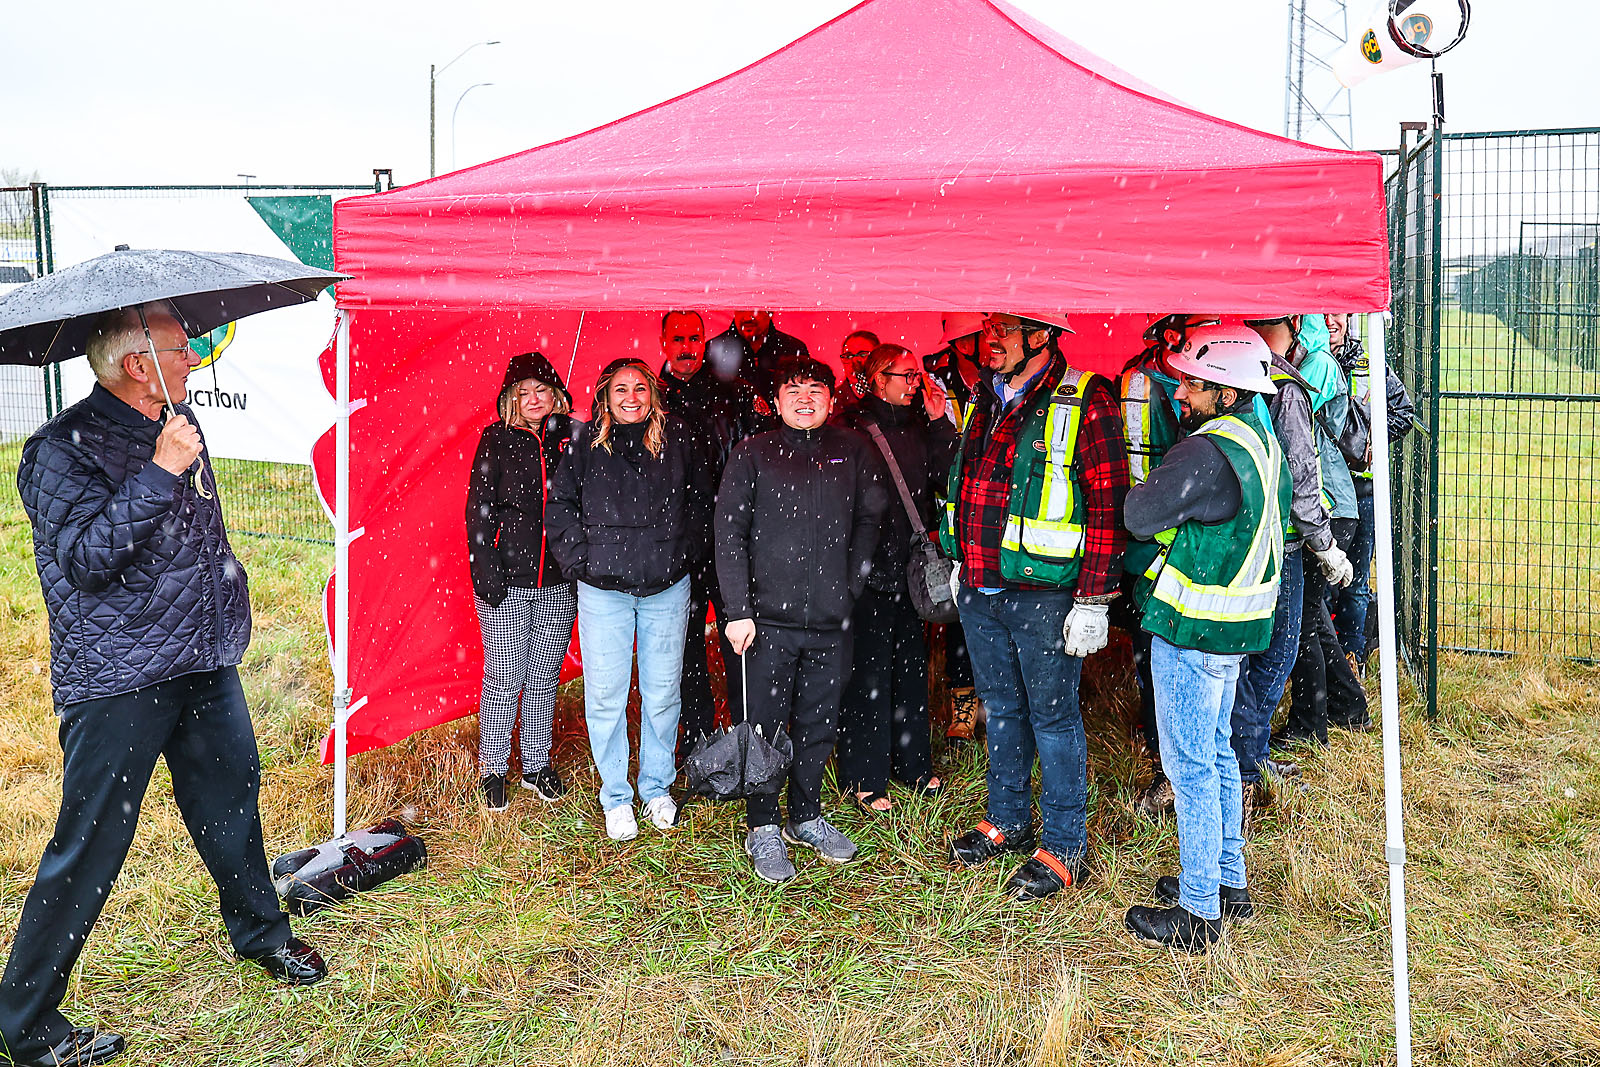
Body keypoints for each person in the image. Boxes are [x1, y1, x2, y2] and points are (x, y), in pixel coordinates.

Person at [3, 303, 326, 1067]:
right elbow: (85, 559)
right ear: (136, 363)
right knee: (90, 842)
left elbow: (199, 533)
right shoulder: (57, 452)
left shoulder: (179, 422)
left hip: (202, 661)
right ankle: (28, 1022)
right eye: (183, 348)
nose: (196, 358)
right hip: (119, 680)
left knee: (230, 801)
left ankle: (261, 934)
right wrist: (159, 471)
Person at [942, 311, 1129, 901]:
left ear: (1041, 336)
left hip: (1044, 595)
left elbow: (1108, 501)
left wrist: (1094, 597)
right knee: (1001, 708)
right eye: (987, 326)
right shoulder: (983, 396)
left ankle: (1065, 845)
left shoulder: (1087, 398)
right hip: (981, 588)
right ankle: (1008, 820)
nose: (988, 339)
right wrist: (958, 556)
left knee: (1052, 717)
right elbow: (967, 482)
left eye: (1003, 329)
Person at [1123, 324, 1290, 953]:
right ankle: (1227, 881)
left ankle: (1198, 913)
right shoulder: (1260, 436)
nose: (1180, 395)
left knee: (1189, 764)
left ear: (1224, 390)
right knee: (1217, 753)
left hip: (1194, 628)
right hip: (1236, 628)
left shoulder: (1204, 450)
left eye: (1192, 384)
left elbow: (1141, 514)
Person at [715, 356, 889, 884]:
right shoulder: (752, 454)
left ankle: (805, 816)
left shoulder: (852, 451)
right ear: (775, 401)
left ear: (831, 399)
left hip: (832, 622)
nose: (805, 398)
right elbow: (729, 535)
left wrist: (851, 585)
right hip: (766, 623)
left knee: (819, 722)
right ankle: (763, 826)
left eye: (815, 388)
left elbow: (869, 520)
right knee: (765, 727)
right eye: (793, 389)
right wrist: (738, 611)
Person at [545, 358, 709, 842]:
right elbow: (560, 506)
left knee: (663, 694)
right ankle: (616, 795)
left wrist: (683, 554)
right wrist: (583, 563)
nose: (631, 397)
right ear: (604, 397)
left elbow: (701, 501)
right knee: (605, 696)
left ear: (653, 394)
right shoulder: (583, 443)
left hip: (666, 588)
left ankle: (656, 786)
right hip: (604, 593)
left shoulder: (679, 439)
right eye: (620, 389)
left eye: (640, 388)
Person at [1224, 314, 1349, 815]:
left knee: (1242, 657)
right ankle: (1247, 766)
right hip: (1286, 546)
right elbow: (1302, 479)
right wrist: (1325, 543)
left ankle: (1241, 755)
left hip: (1239, 539)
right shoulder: (1285, 388)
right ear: (1294, 322)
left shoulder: (1231, 377)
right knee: (1276, 654)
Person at [835, 344, 956, 812]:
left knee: (910, 670)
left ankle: (914, 765)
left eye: (916, 374)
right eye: (905, 376)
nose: (914, 383)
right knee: (868, 672)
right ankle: (865, 776)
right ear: (877, 378)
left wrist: (941, 419)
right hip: (866, 569)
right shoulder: (853, 426)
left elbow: (950, 476)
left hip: (910, 569)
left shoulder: (923, 425)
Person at [656, 310, 771, 761]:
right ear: (663, 341)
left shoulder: (735, 394)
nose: (686, 346)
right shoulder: (650, 396)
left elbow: (762, 462)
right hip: (675, 543)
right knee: (682, 649)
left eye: (694, 337)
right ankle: (698, 739)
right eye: (677, 338)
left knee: (740, 639)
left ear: (705, 340)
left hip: (729, 541)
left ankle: (748, 740)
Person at [466, 351, 578, 811]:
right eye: (523, 392)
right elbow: (479, 509)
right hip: (507, 581)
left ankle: (535, 764)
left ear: (556, 395)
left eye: (542, 390)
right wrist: (485, 566)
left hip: (559, 580)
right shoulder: (495, 440)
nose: (534, 399)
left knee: (543, 676)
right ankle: (493, 768)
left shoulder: (573, 439)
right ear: (511, 399)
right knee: (504, 676)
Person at [1245, 316, 1363, 751]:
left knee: (1304, 627)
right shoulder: (1294, 370)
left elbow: (1299, 458)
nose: (1331, 322)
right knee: (1306, 624)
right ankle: (1337, 711)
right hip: (1317, 515)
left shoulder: (1310, 370)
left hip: (1326, 512)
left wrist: (1323, 541)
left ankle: (1317, 720)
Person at [1117, 314, 1211, 820]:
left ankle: (1179, 766)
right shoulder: (1142, 383)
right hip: (1154, 539)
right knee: (1154, 647)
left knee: (1175, 653)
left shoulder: (1212, 388)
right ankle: (1165, 759)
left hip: (1184, 539)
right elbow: (1142, 476)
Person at [1325, 312, 1417, 677]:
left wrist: (1373, 442)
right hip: (1324, 494)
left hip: (1363, 490)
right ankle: (1324, 670)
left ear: (1349, 318)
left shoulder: (1368, 362)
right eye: (1324, 313)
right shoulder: (1308, 362)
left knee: (1357, 581)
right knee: (1323, 582)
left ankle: (1352, 662)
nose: (1331, 321)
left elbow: (1404, 413)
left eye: (1339, 314)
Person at [922, 312, 987, 747]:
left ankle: (998, 704)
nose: (981, 345)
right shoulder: (933, 376)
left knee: (997, 607)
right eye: (970, 339)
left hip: (999, 506)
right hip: (948, 508)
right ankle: (962, 702)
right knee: (957, 610)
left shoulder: (1011, 373)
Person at [704, 310, 811, 399]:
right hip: (729, 423)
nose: (747, 317)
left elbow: (805, 393)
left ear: (770, 311)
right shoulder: (713, 349)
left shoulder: (792, 349)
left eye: (754, 309)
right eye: (741, 309)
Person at [836, 329, 880, 405]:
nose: (854, 361)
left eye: (862, 355)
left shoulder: (892, 393)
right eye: (848, 356)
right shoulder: (834, 401)